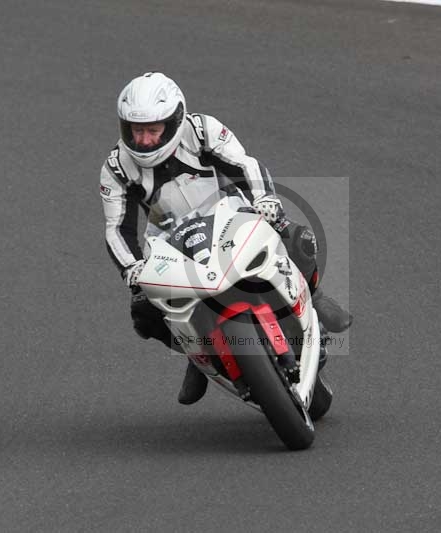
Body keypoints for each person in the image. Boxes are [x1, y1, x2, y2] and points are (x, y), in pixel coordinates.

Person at [99, 72, 352, 405]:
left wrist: (265, 200)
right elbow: (118, 226)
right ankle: (196, 357)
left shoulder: (201, 131)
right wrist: (131, 268)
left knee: (296, 238)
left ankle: (313, 297)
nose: (144, 141)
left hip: (231, 216)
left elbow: (244, 164)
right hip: (170, 239)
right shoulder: (117, 167)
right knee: (144, 310)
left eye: (152, 131)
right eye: (137, 131)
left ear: (174, 122)